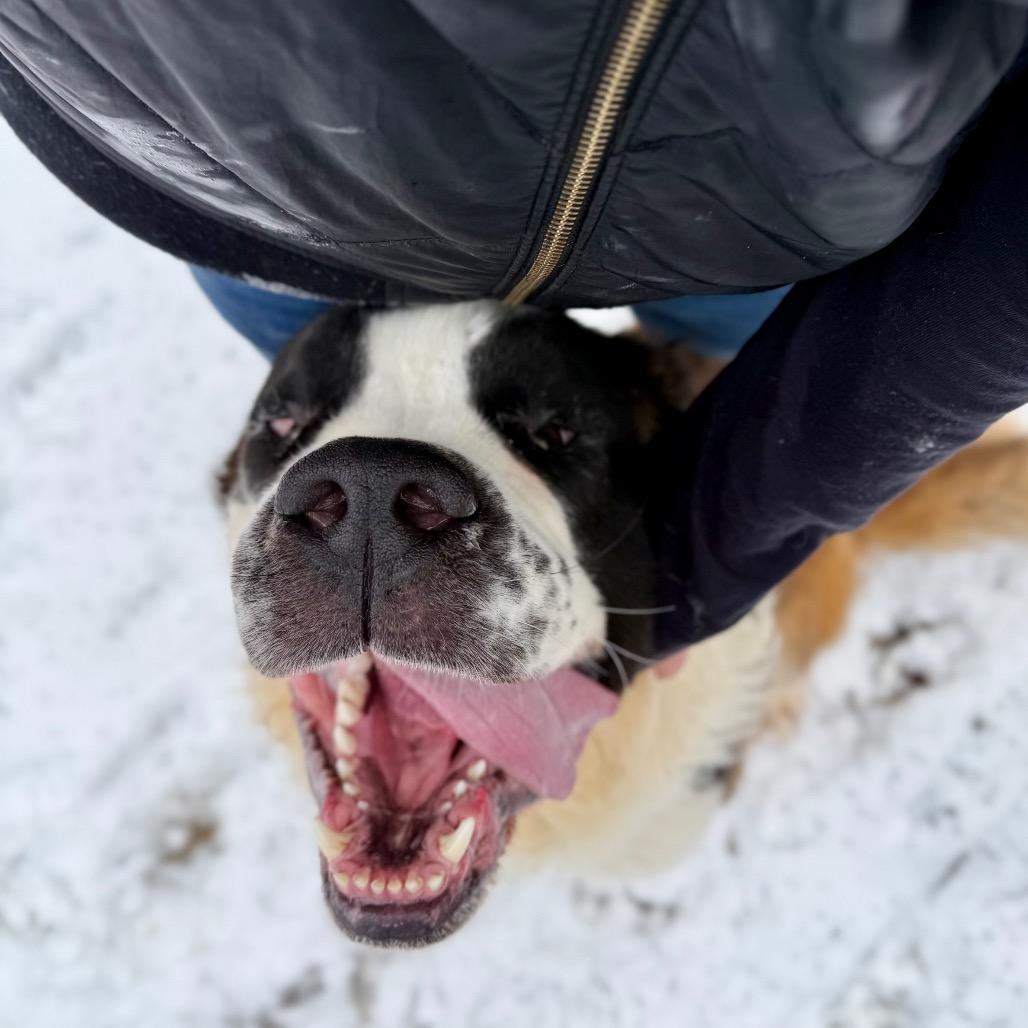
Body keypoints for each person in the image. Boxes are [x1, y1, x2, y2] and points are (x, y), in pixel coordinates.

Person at [3, 1, 1027, 653]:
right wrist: (745, 507)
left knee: (720, 377)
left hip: (749, 192)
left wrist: (738, 517)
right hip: (235, 162)